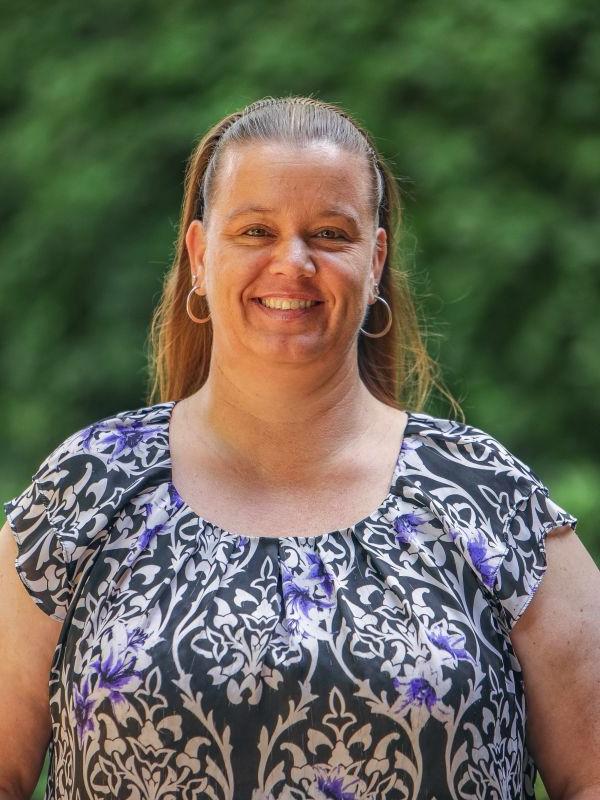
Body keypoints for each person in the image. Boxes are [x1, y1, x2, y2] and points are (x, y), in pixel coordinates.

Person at [1, 96, 599, 800]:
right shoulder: (87, 489)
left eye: (329, 233)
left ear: (374, 260)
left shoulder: (485, 500)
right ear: (200, 253)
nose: (293, 261)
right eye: (256, 229)